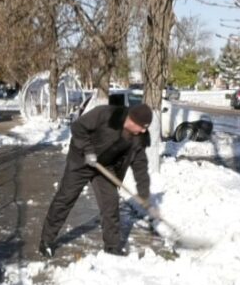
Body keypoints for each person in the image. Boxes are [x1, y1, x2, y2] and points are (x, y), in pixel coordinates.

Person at [38, 102, 153, 257]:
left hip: (106, 166)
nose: (144, 131)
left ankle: (112, 247)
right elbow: (78, 126)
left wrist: (144, 194)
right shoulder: (106, 114)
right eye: (142, 126)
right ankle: (46, 241)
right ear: (132, 120)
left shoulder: (138, 138)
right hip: (81, 160)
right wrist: (88, 151)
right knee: (65, 198)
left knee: (110, 203)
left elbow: (140, 166)